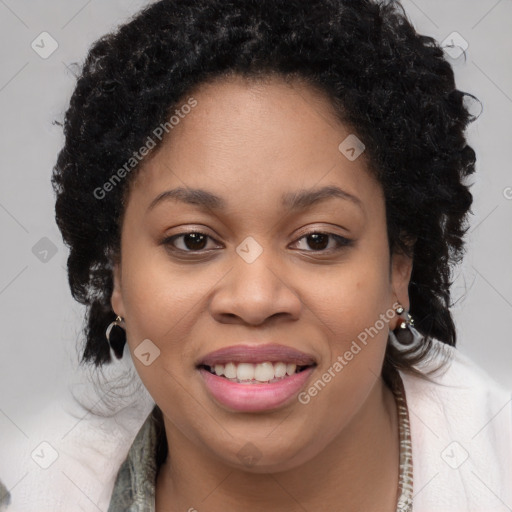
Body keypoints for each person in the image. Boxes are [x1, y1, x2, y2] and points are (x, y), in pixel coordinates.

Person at [2, 0, 509, 510]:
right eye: (193, 240)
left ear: (400, 266)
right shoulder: (31, 491)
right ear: (116, 273)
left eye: (318, 239)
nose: (255, 299)